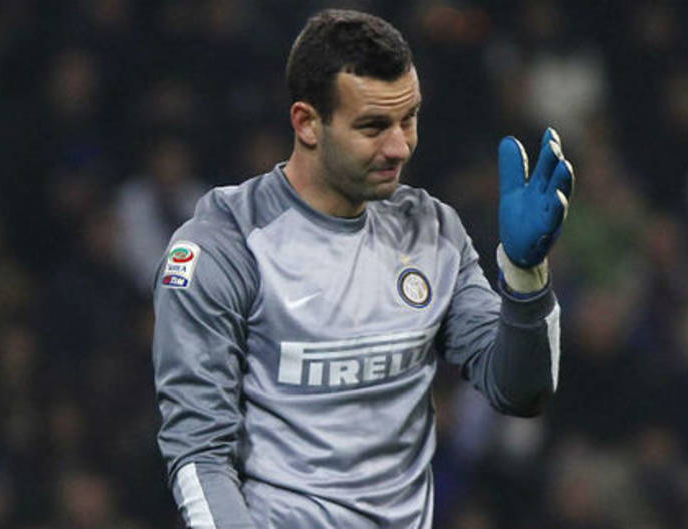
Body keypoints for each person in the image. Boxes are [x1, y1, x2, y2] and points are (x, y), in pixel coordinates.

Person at [151, 8, 574, 529]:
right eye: (373, 126)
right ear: (307, 123)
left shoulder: (432, 231)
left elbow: (519, 390)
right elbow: (199, 455)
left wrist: (526, 279)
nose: (399, 146)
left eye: (409, 119)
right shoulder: (225, 247)